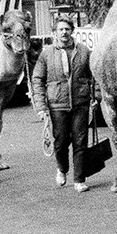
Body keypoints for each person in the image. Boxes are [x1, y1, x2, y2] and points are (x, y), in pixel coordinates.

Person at [31, 16, 95, 192]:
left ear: (72, 31)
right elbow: (37, 79)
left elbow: (93, 76)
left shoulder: (83, 51)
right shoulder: (47, 54)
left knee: (80, 141)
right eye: (60, 29)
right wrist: (41, 107)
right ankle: (62, 169)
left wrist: (95, 97)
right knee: (60, 142)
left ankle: (79, 180)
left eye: (67, 29)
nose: (64, 32)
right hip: (57, 104)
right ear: (55, 32)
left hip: (80, 103)